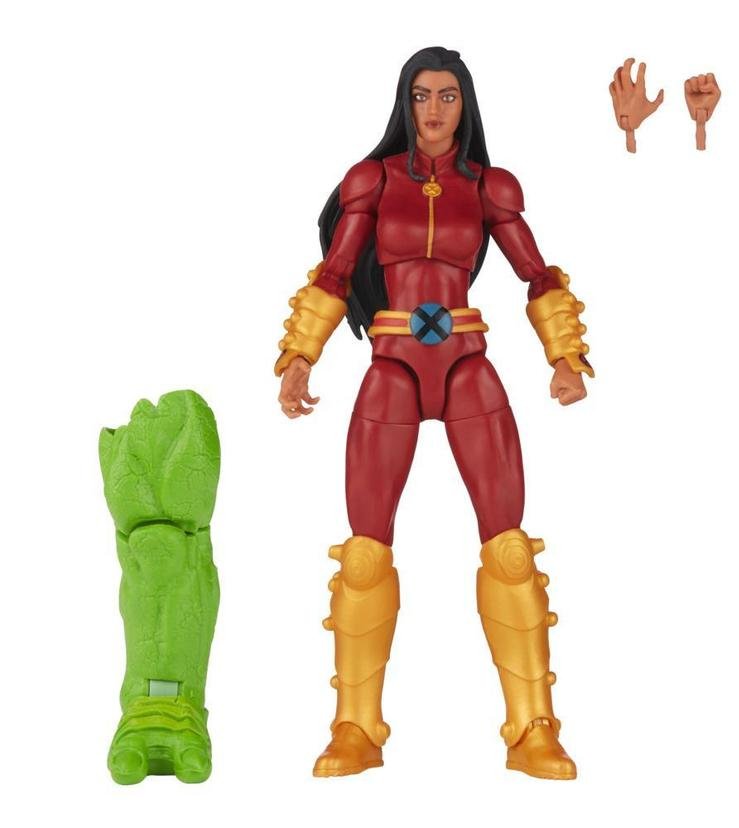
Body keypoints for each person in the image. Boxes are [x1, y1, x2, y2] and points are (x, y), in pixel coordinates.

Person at [275, 46, 592, 780]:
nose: (434, 110)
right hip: (392, 365)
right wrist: (300, 356)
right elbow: (334, 271)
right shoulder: (373, 180)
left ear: (465, 104)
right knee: (363, 556)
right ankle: (355, 728)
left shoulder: (488, 187)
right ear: (405, 102)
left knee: (510, 551)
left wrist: (564, 357)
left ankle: (533, 729)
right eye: (422, 96)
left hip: (466, 363)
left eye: (448, 96)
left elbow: (536, 272)